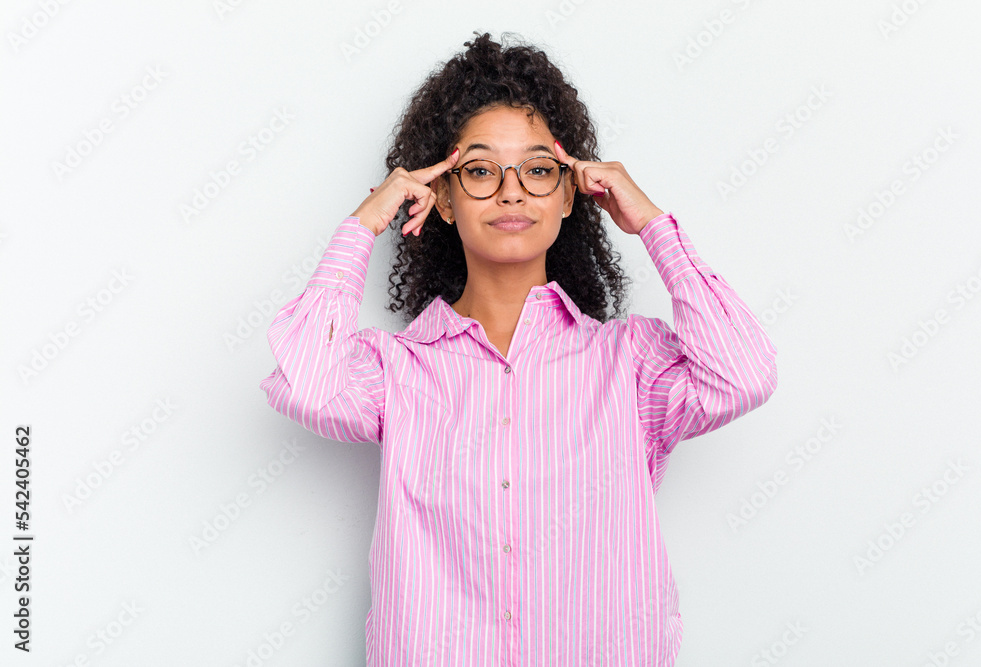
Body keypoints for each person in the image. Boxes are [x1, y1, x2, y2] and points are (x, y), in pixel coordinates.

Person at [260, 31, 777, 666]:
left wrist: (652, 225)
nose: (511, 191)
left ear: (571, 194)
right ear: (443, 198)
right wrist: (368, 219)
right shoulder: (396, 369)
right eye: (478, 171)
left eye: (538, 169)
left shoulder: (631, 364)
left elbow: (744, 375)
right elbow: (304, 382)